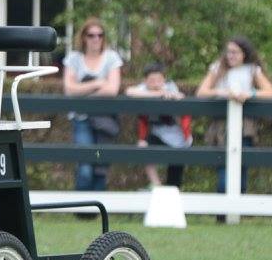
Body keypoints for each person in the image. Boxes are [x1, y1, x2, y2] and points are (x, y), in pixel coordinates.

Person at [196, 36, 272, 195]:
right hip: (221, 125)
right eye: (229, 52)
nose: (231, 56)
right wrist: (224, 92)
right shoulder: (217, 69)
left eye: (235, 52)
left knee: (241, 167)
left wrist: (250, 93)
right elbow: (201, 92)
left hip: (244, 126)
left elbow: (270, 92)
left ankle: (238, 211)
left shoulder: (252, 70)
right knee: (223, 171)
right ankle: (222, 213)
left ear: (244, 54)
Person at [63, 18, 123, 191]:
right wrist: (97, 83)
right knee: (85, 165)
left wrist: (82, 90)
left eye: (100, 35)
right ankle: (82, 210)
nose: (96, 39)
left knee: (100, 163)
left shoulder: (111, 57)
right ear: (83, 38)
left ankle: (96, 209)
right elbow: (69, 89)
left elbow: (112, 89)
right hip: (81, 119)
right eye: (91, 35)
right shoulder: (74, 58)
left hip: (105, 119)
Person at [126, 62, 192, 187]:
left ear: (164, 80)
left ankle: (173, 193)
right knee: (144, 147)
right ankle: (156, 185)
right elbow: (129, 92)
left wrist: (172, 96)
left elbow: (179, 98)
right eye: (152, 81)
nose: (156, 84)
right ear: (145, 81)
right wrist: (158, 94)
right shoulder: (143, 88)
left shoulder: (171, 87)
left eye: (159, 80)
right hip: (157, 134)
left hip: (178, 136)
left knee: (175, 176)